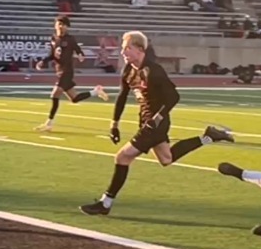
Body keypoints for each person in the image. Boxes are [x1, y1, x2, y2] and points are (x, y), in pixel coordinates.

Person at [79, 31, 235, 215]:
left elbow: (174, 97)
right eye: (122, 48)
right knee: (166, 159)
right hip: (146, 121)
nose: (123, 52)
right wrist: (114, 124)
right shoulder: (128, 71)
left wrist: (157, 119)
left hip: (156, 123)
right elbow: (121, 97)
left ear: (139, 49)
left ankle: (106, 203)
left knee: (122, 157)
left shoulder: (153, 70)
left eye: (127, 48)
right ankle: (208, 137)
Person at [34, 16, 109, 132]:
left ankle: (49, 123)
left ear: (67, 27)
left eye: (63, 24)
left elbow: (77, 49)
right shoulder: (53, 38)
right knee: (74, 98)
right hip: (59, 71)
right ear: (55, 25)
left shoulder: (70, 39)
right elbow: (52, 55)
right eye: (59, 24)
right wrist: (43, 61)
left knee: (55, 95)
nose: (60, 26)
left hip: (67, 71)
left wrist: (80, 55)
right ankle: (96, 91)